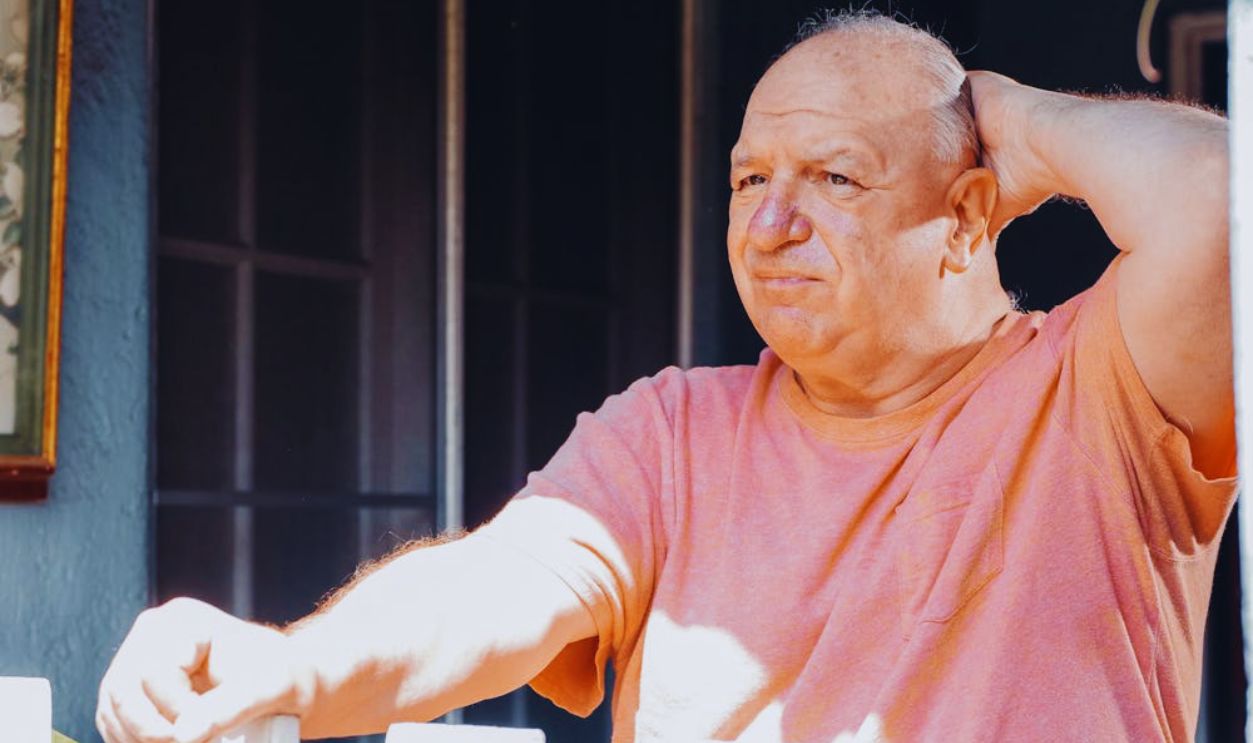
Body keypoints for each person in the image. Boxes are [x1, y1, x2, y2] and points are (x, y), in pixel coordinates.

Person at [97, 9, 1237, 743]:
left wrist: (1016, 121)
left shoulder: (1098, 390)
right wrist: (292, 661)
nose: (771, 222)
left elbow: (1223, 211)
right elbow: (496, 586)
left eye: (834, 178)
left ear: (965, 218)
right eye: (749, 181)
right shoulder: (674, 428)